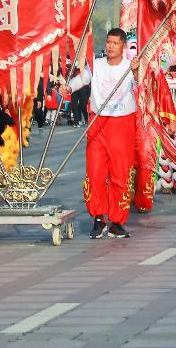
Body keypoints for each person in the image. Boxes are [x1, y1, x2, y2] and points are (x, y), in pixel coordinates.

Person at [61, 28, 138, 239]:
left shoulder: (130, 67)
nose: (111, 46)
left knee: (120, 174)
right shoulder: (97, 64)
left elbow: (141, 86)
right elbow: (83, 79)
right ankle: (98, 219)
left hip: (122, 123)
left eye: (115, 42)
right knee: (95, 173)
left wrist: (138, 71)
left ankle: (116, 222)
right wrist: (68, 88)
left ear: (123, 45)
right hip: (98, 123)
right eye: (109, 42)